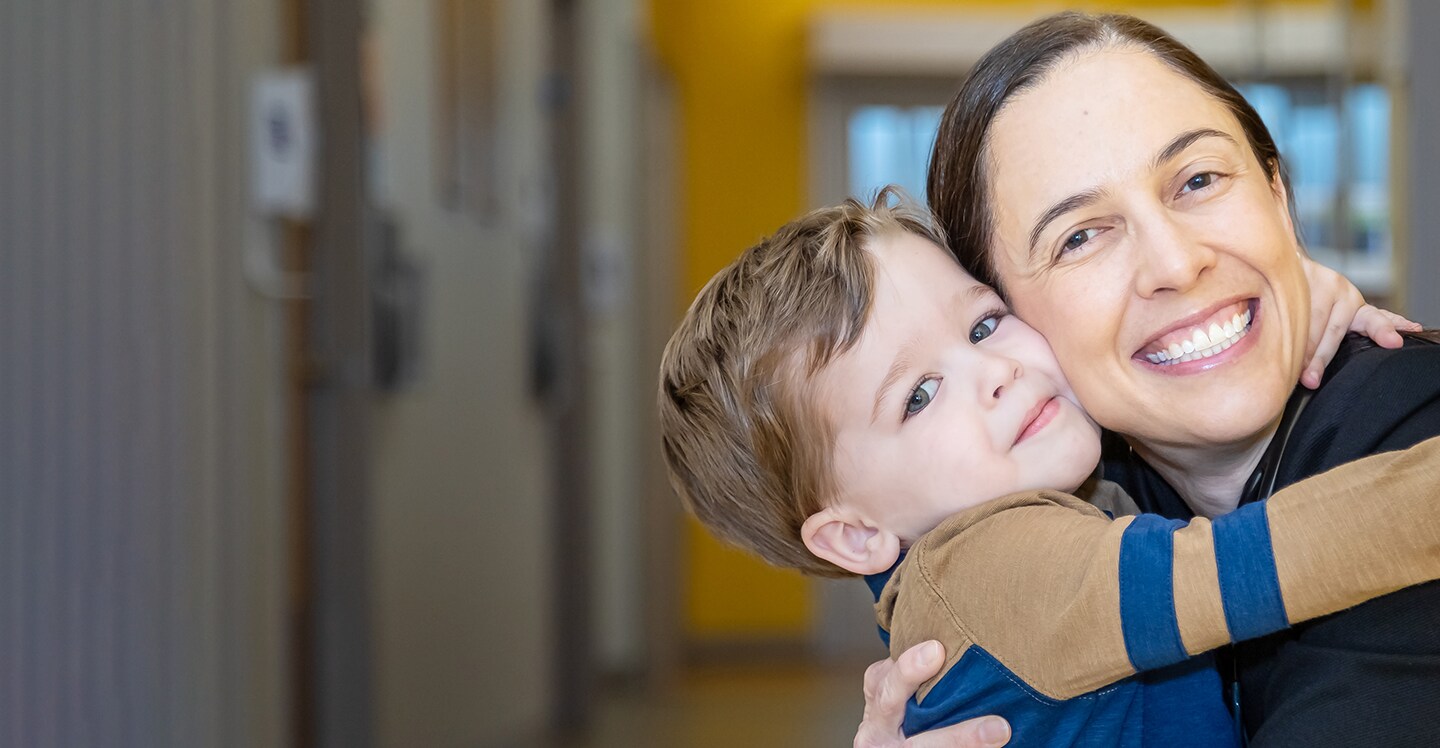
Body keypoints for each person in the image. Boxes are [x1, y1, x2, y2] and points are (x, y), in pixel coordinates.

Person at [658, 191, 1440, 746]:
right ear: (857, 534)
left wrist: (1298, 304)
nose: (994, 369)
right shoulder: (989, 568)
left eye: (985, 322)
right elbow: (1250, 567)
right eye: (920, 395)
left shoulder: (1039, 511)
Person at [859, 11, 1440, 747]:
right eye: (1080, 237)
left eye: (1199, 180)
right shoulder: (1062, 508)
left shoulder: (1409, 423)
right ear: (1018, 320)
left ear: (1277, 199)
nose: (1175, 263)